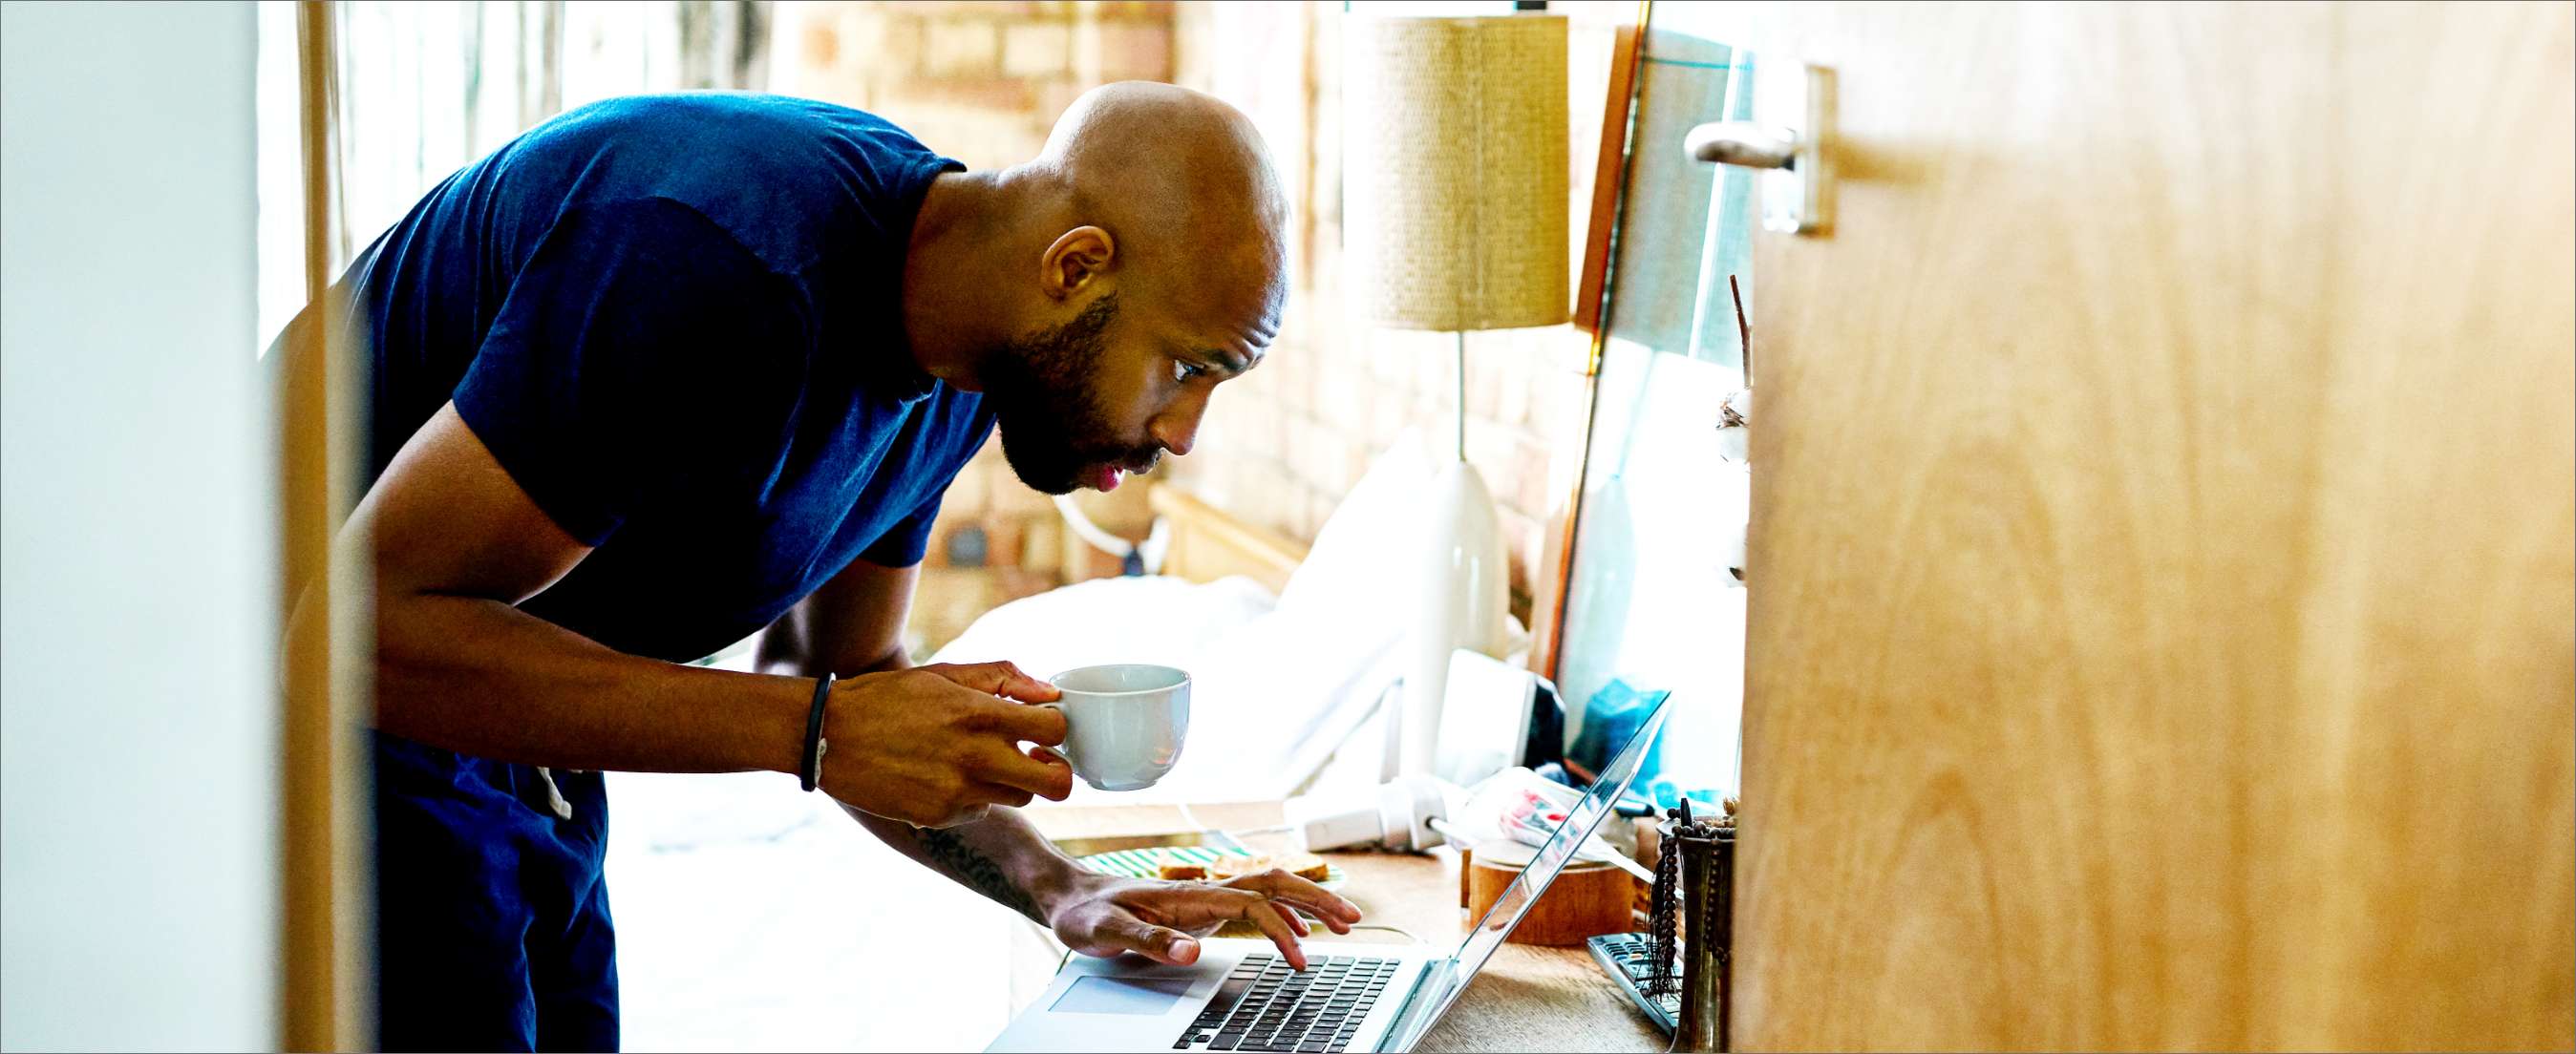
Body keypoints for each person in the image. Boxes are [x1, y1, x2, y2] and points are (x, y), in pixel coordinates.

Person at [309, 82, 1360, 1051]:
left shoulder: (963, 362)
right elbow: (352, 637)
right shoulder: (713, 254)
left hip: (512, 723)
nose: (1182, 435)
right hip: (306, 734)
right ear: (1074, 267)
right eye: (1185, 368)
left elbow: (843, 674)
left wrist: (1059, 885)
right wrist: (820, 732)